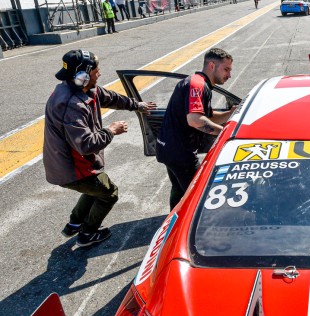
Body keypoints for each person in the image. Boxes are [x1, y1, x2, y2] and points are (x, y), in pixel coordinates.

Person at [44, 49, 155, 247]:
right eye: (96, 70)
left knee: (94, 189)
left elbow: (110, 97)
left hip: (73, 163)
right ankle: (87, 234)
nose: (100, 73)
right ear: (83, 76)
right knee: (108, 193)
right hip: (72, 168)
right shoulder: (71, 105)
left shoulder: (83, 89)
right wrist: (111, 131)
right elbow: (86, 145)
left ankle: (74, 223)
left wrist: (136, 105)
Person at [156, 48, 236, 210]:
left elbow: (206, 116)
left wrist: (230, 113)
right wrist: (227, 134)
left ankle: (174, 223)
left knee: (179, 191)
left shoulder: (199, 83)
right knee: (199, 196)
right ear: (212, 65)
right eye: (226, 69)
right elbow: (195, 120)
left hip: (168, 148)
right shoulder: (197, 84)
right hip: (180, 152)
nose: (229, 75)